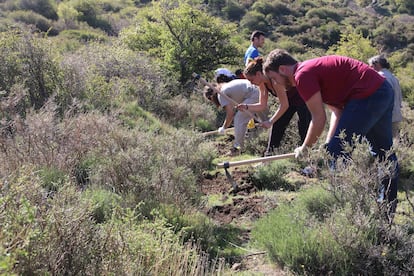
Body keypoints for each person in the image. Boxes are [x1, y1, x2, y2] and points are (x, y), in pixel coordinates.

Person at [263, 49, 399, 214]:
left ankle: (343, 212)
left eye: (273, 78)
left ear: (283, 69)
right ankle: (386, 212)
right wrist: (328, 144)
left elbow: (318, 119)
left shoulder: (302, 75)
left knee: (338, 153)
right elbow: (337, 113)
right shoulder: (311, 71)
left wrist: (305, 148)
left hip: (368, 95)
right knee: (384, 154)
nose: (275, 83)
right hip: (382, 90)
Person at [239, 57, 311, 156]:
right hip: (290, 101)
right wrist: (246, 107)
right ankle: (269, 156)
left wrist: (270, 121)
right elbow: (262, 105)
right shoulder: (262, 84)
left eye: (251, 80)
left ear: (258, 74)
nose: (251, 83)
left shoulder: (275, 81)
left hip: (303, 97)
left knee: (303, 126)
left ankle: (309, 156)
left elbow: (284, 105)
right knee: (278, 125)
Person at [204, 68, 267, 155]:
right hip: (258, 90)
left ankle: (237, 148)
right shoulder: (227, 86)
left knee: (239, 119)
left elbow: (230, 114)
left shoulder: (220, 94)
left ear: (211, 96)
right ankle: (271, 140)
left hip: (253, 94)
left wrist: (223, 128)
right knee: (266, 121)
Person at [368, 55, 403, 139]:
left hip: (385, 116)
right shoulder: (394, 77)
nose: (370, 68)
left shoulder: (380, 77)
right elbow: (399, 98)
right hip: (396, 114)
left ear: (377, 65)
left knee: (383, 143)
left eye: (371, 66)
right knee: (395, 141)